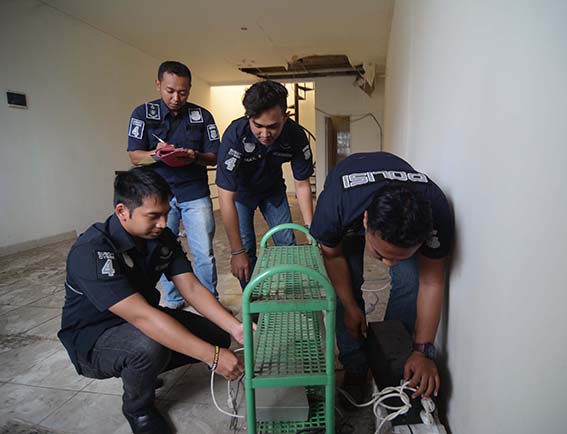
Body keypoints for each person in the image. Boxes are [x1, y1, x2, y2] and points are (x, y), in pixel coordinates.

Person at [58, 168, 244, 434]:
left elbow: (190, 287)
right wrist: (212, 357)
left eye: (166, 213)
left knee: (216, 334)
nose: (163, 223)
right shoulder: (92, 251)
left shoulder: (160, 237)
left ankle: (143, 368)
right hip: (95, 338)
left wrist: (236, 328)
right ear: (122, 211)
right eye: (153, 216)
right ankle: (138, 408)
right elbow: (142, 318)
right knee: (148, 347)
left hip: (140, 318)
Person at [309, 151, 453, 403]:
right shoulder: (335, 206)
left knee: (409, 282)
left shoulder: (436, 210)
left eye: (399, 256)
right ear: (366, 221)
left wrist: (422, 351)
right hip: (350, 211)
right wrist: (351, 307)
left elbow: (432, 282)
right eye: (381, 253)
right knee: (347, 289)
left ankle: (395, 359)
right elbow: (333, 257)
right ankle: (356, 367)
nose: (388, 264)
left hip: (391, 197)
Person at [127, 60, 220, 308]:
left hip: (194, 192)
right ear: (158, 85)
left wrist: (194, 156)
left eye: (183, 92)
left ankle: (210, 302)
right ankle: (174, 300)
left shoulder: (202, 116)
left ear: (190, 89)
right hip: (158, 196)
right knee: (161, 250)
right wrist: (157, 154)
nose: (176, 98)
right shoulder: (142, 114)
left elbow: (215, 157)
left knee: (203, 252)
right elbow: (135, 157)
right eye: (170, 91)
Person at [216, 80, 314, 287]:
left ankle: (292, 292)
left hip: (273, 190)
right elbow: (225, 196)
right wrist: (236, 251)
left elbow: (302, 184)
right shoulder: (235, 135)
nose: (265, 134)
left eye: (273, 127)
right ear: (248, 117)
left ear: (285, 117)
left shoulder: (295, 135)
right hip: (241, 193)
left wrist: (310, 228)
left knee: (286, 243)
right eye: (258, 125)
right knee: (245, 249)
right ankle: (251, 300)